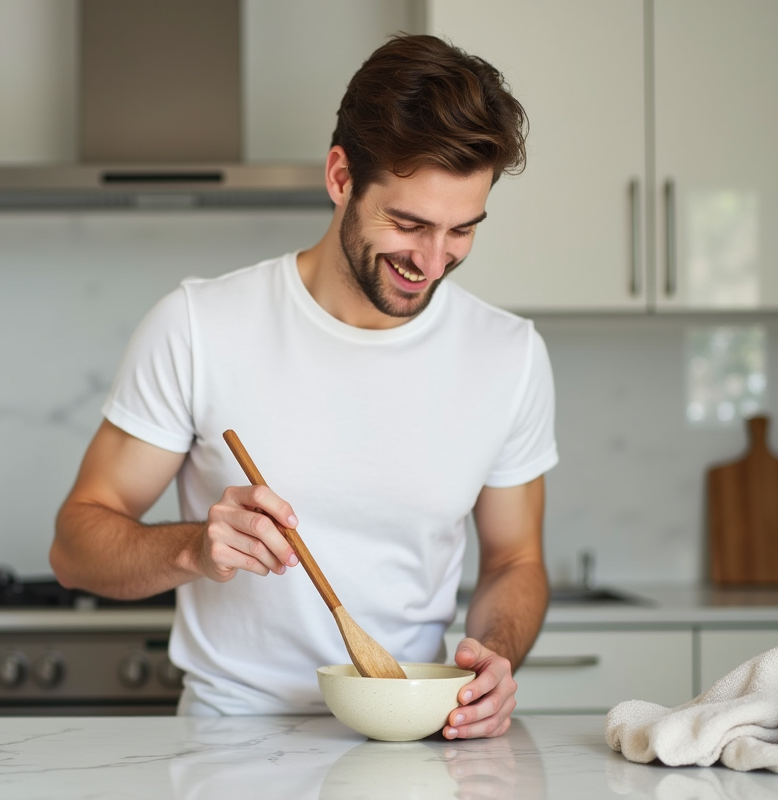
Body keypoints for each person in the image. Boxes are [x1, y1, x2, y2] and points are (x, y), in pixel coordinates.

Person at [50, 33, 557, 740]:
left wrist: (495, 658)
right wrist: (194, 548)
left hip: (414, 739)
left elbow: (516, 560)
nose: (433, 261)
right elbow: (75, 547)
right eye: (408, 224)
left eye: (462, 230)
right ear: (341, 176)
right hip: (228, 742)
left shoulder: (510, 355)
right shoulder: (198, 325)